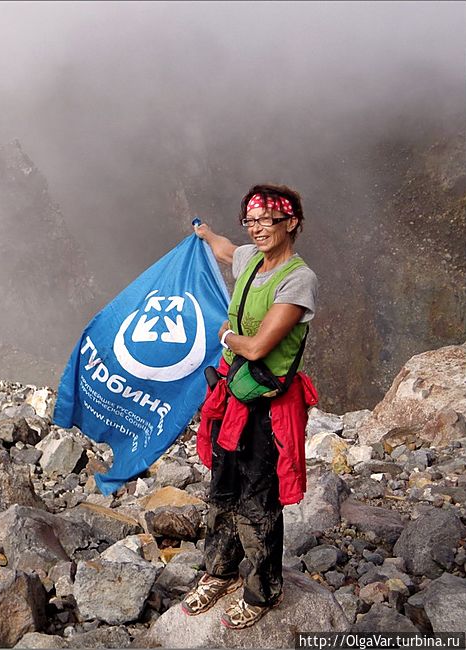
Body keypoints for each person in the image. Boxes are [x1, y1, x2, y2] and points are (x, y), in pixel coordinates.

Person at [181, 183, 319, 629]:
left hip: (266, 404)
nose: (257, 229)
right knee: (223, 487)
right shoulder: (250, 260)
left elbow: (259, 347)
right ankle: (219, 572)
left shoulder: (299, 280)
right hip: (234, 395)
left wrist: (225, 336)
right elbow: (226, 250)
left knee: (259, 496)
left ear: (291, 223)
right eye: (251, 221)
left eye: (266, 220)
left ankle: (263, 592)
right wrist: (206, 233)